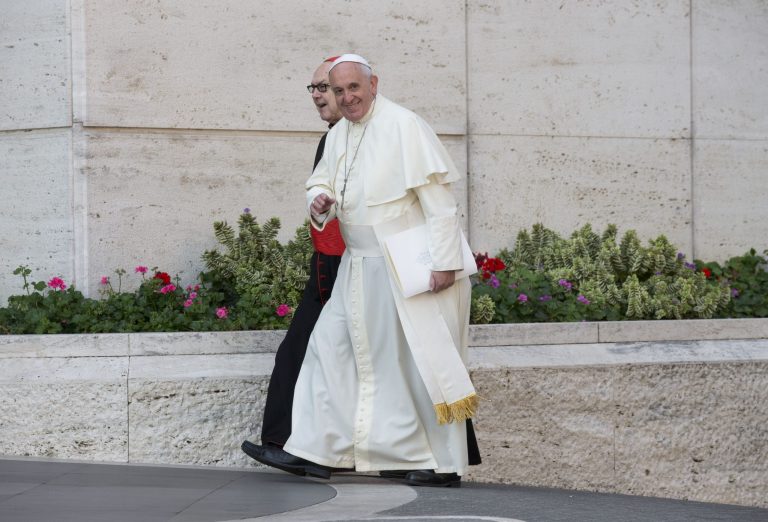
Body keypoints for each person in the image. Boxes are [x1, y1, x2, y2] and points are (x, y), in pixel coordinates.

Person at [250, 54, 478, 487]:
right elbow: (320, 181)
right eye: (338, 91)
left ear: (374, 84)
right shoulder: (341, 133)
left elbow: (440, 203)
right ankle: (316, 449)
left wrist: (446, 264)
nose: (347, 97)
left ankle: (441, 465)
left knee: (410, 366)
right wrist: (318, 202)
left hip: (406, 265)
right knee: (328, 349)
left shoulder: (405, 125)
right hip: (357, 265)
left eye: (354, 88)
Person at [241, 57, 345, 461]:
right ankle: (286, 444)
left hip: (347, 266)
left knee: (306, 351)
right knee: (303, 350)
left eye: (327, 86)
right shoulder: (333, 138)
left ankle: (289, 444)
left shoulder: (352, 137)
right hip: (330, 263)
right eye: (315, 88)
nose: (319, 94)